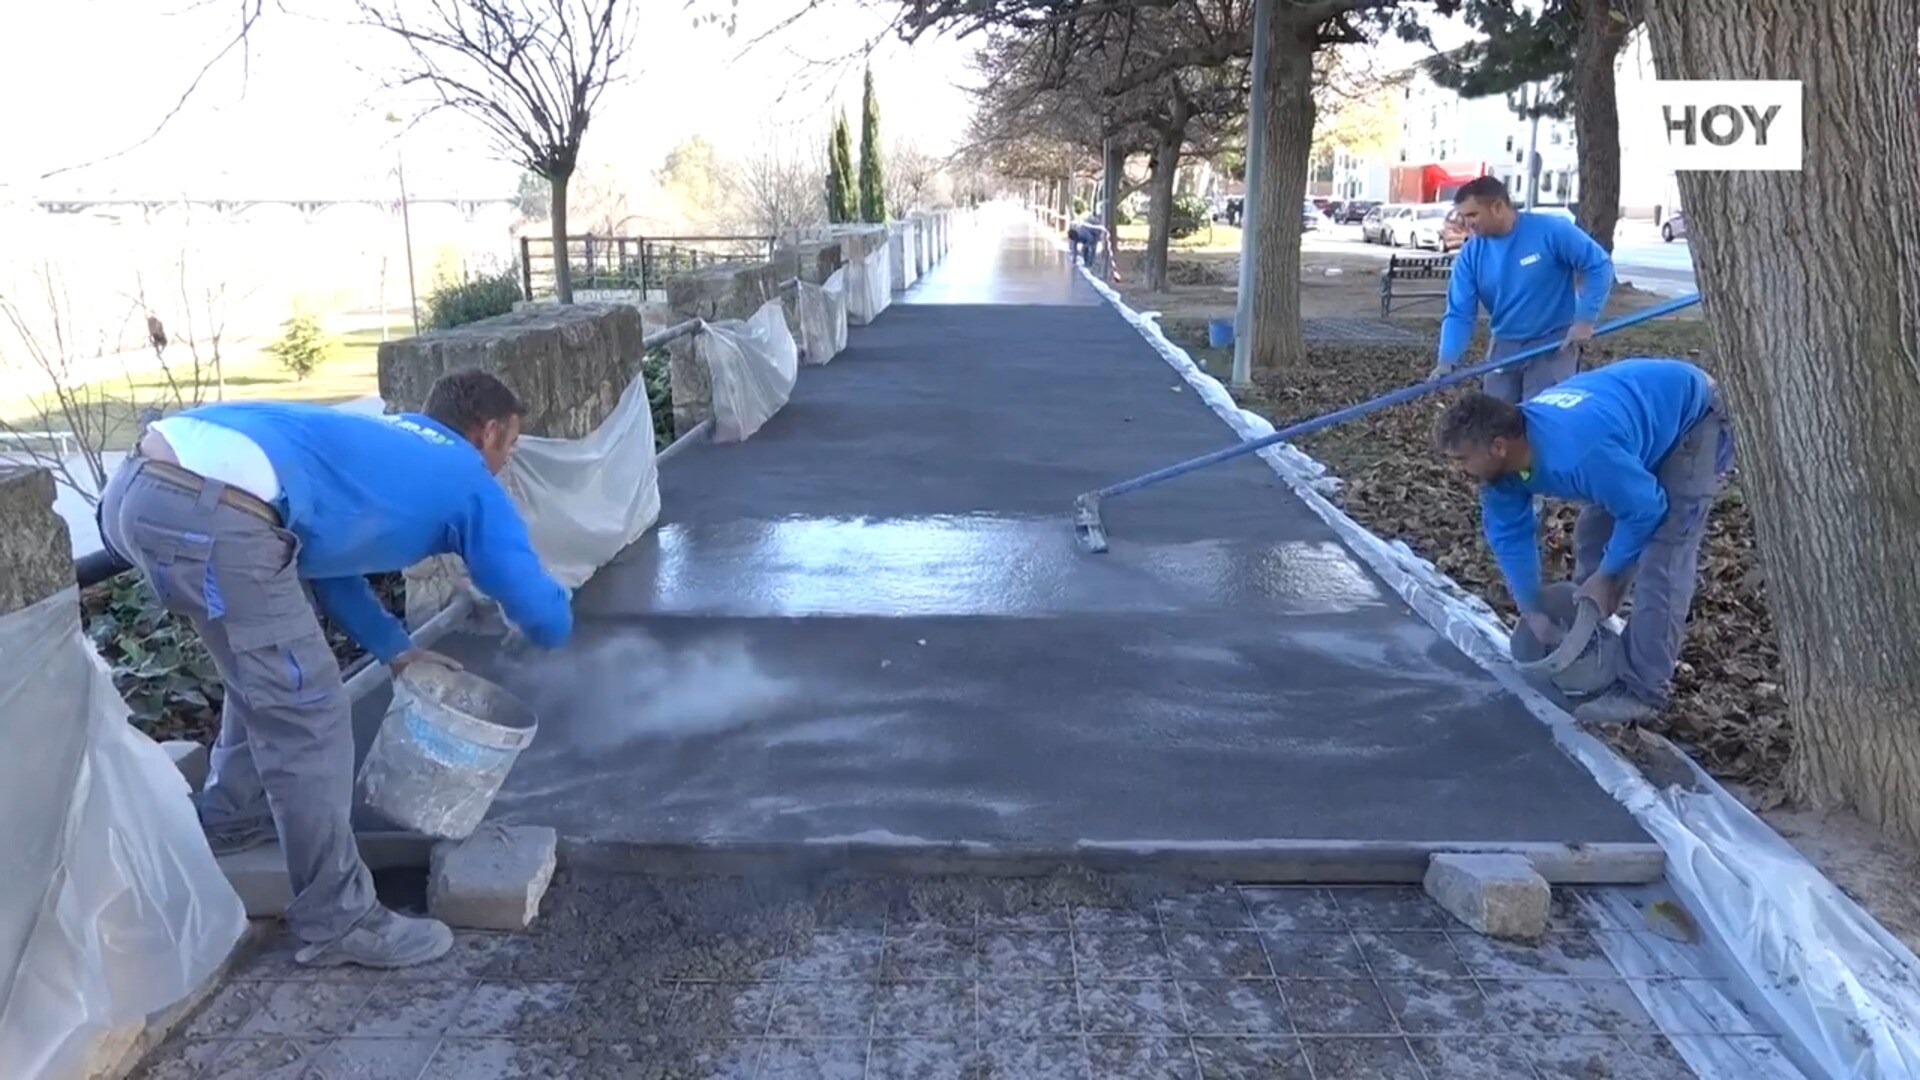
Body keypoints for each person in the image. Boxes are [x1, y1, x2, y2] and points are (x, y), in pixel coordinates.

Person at [97, 370, 574, 969]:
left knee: (268, 677)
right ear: (491, 432)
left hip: (144, 488)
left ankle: (231, 816)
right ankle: (338, 917)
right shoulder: (468, 479)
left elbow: (326, 564)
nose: (507, 461)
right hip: (211, 511)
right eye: (511, 446)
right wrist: (567, 618)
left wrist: (396, 650)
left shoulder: (385, 443)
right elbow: (535, 606)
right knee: (311, 711)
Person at [1433, 358, 1735, 725]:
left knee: (1664, 558)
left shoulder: (1577, 454)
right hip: (1626, 423)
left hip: (1690, 415)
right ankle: (1593, 628)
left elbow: (1644, 509)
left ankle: (1644, 689)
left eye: (1462, 459)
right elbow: (1510, 536)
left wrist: (1609, 574)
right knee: (1594, 532)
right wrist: (1533, 610)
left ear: (1497, 447)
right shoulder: (1503, 472)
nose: (1457, 470)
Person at [1429, 176, 1616, 402]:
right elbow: (1459, 312)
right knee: (1498, 423)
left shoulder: (1551, 231)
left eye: (1472, 215)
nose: (1467, 224)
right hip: (1504, 346)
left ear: (1498, 207)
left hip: (1553, 344)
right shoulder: (1470, 255)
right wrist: (1447, 360)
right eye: (1463, 217)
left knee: (1541, 421)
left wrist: (1585, 319)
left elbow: (1598, 265)